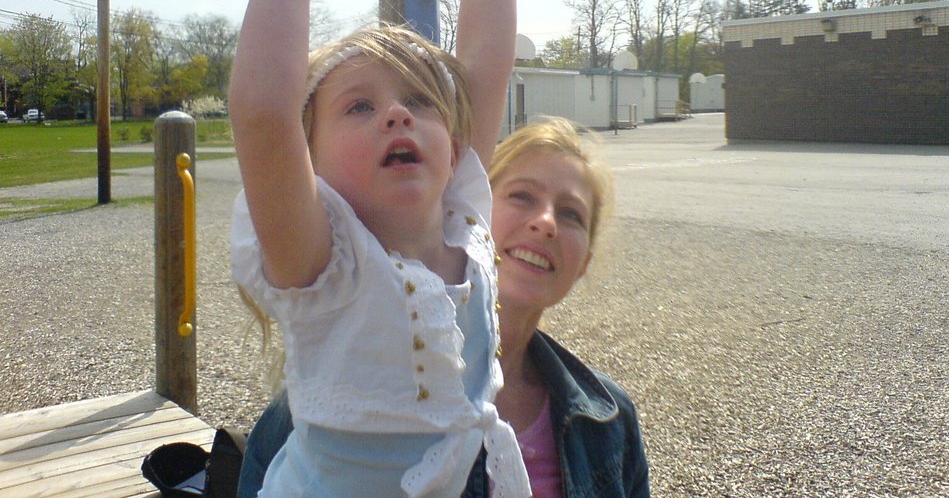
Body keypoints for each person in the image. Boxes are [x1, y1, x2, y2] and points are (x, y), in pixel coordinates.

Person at [228, 0, 534, 498]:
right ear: (308, 164)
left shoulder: (462, 213)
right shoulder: (322, 259)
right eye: (359, 107)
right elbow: (261, 113)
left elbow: (481, 65)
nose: (397, 115)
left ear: (452, 143)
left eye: (418, 102)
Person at [238, 117, 651, 498]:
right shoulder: (331, 408)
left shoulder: (610, 422)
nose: (546, 222)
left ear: (584, 264)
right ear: (470, 211)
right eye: (523, 196)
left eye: (571, 214)